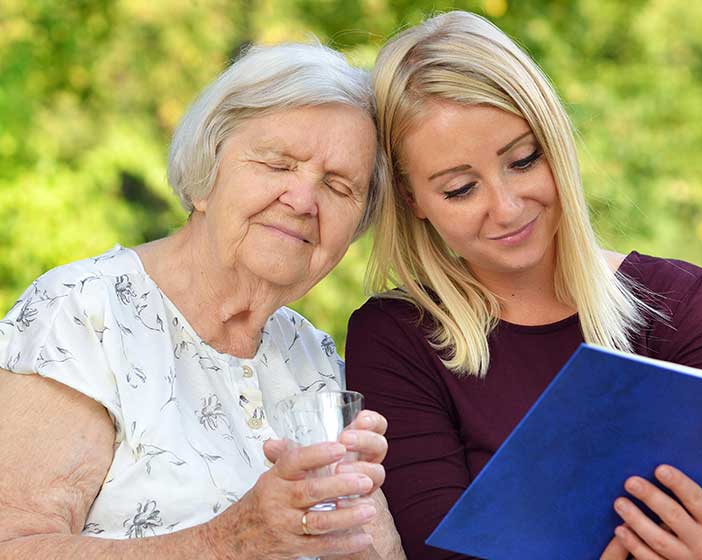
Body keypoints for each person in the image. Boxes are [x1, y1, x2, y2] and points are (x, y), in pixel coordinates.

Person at [345, 11, 702, 560]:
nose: (506, 207)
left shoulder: (679, 301)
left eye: (523, 161)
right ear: (412, 200)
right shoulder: (395, 336)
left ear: (555, 141)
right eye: (459, 189)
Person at [0, 42, 405, 560]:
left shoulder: (316, 360)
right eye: (278, 164)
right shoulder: (84, 314)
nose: (303, 201)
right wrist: (229, 541)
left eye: (338, 185)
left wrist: (351, 518)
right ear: (206, 172)